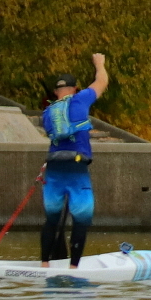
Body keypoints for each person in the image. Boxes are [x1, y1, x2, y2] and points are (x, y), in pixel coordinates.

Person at [40, 54, 110, 267]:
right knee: (81, 218)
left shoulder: (47, 112)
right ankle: (74, 266)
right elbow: (102, 82)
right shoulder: (80, 99)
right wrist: (99, 64)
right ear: (75, 89)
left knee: (52, 218)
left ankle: (45, 264)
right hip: (76, 167)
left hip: (53, 168)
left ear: (55, 93)